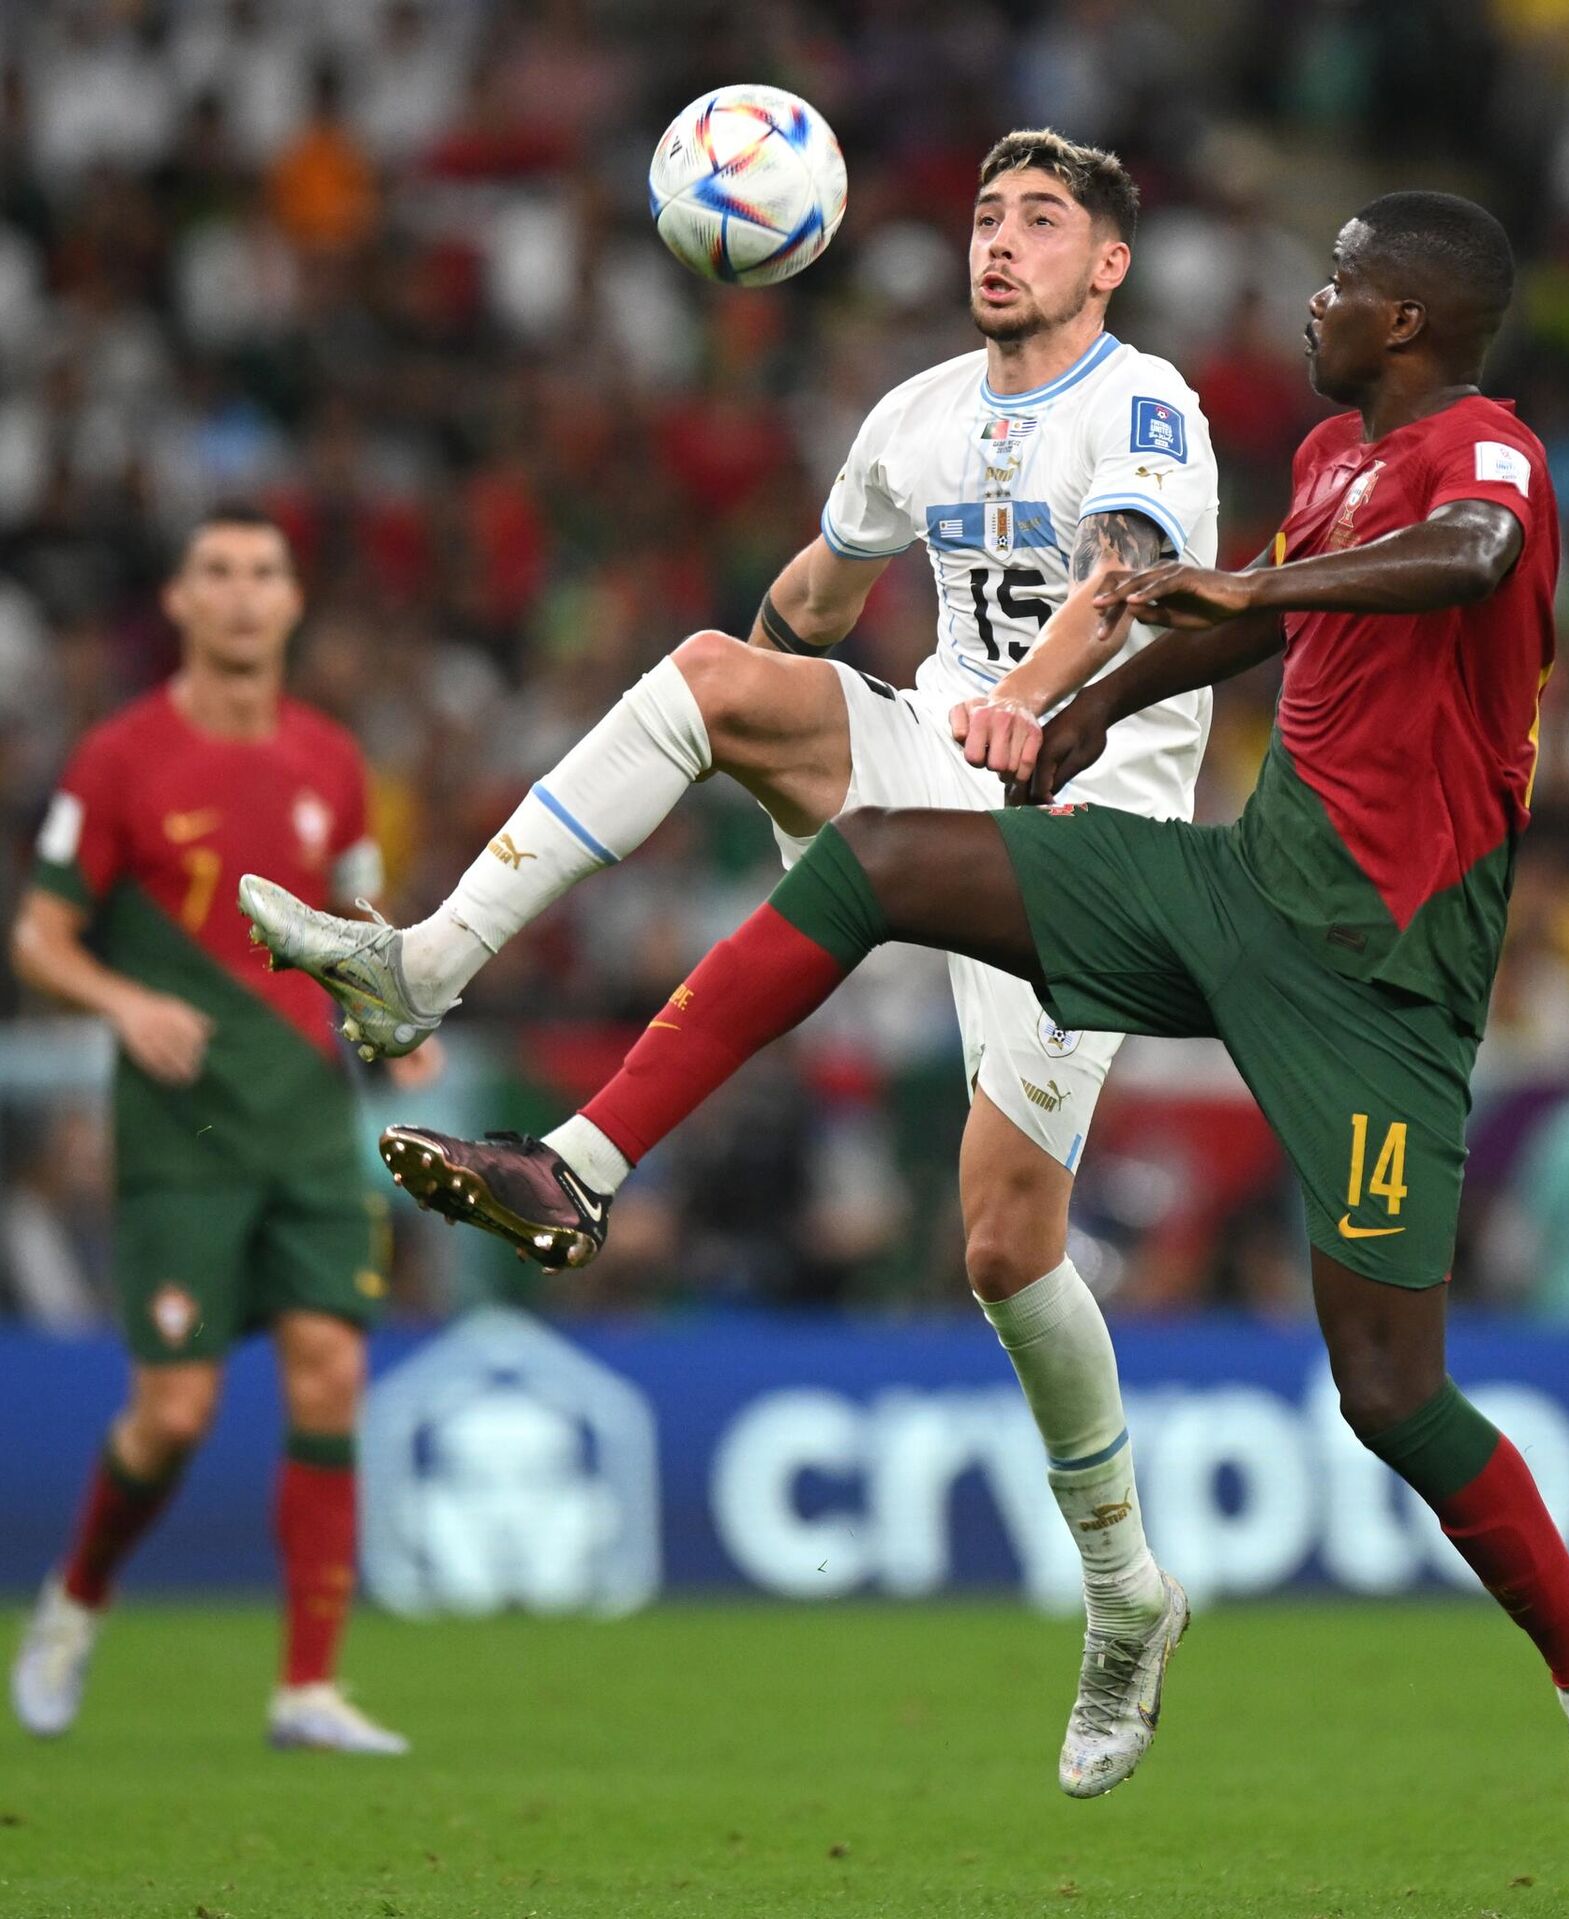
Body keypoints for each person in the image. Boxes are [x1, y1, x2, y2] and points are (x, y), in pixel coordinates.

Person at [364, 192, 1569, 1889]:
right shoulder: (1340, 471)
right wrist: (1072, 723)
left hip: (1383, 977)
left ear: (1415, 316)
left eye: (1344, 278)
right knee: (884, 859)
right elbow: (1243, 623)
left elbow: (1475, 563)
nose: (1315, 300)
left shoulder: (1483, 451)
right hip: (1240, 889)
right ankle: (575, 1160)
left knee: (1391, 1389)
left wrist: (1237, 578)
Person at [242, 128, 1220, 1797]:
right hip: (933, 758)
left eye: (1042, 221)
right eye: (984, 214)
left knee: (1001, 1241)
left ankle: (1127, 1587)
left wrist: (1025, 700)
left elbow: (1127, 582)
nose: (1002, 242)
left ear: (1106, 262)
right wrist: (748, 731)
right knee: (706, 668)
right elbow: (812, 600)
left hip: (1090, 824)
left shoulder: (1146, 405)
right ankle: (422, 966)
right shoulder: (913, 416)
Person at [9, 505, 431, 1754]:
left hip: (307, 1118)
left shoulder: (332, 761)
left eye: (264, 574)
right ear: (181, 603)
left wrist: (399, 1026)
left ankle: (308, 1684)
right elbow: (36, 933)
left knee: (333, 1371)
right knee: (175, 1412)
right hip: (181, 1132)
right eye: (217, 574)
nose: (243, 594)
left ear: (293, 604)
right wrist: (126, 1000)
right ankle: (78, 1596)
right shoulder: (120, 758)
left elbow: (361, 926)